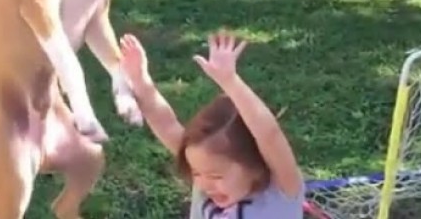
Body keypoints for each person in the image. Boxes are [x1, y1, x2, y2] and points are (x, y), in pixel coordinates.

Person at [119, 30, 305, 219]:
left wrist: (230, 82)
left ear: (255, 166)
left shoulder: (282, 188)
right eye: (196, 173)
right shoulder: (205, 171)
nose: (203, 184)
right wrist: (140, 80)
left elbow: (269, 134)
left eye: (216, 176)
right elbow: (166, 124)